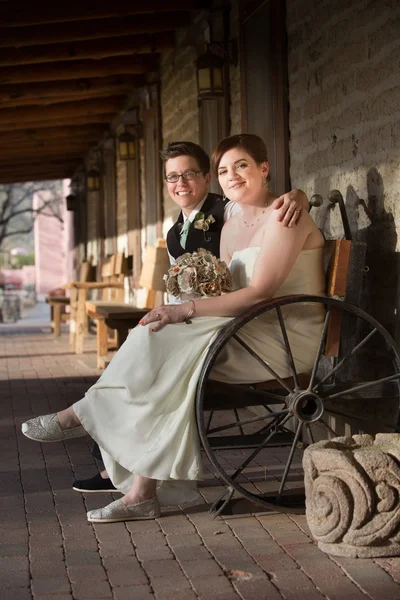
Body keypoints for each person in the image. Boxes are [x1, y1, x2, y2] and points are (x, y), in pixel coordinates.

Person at [21, 134, 325, 523]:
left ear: (265, 168)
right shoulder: (233, 223)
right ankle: (139, 489)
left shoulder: (286, 216)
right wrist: (181, 309)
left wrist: (187, 311)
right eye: (224, 170)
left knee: (166, 349)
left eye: (242, 166)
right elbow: (228, 288)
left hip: (278, 335)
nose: (232, 176)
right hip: (241, 327)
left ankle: (85, 418)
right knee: (153, 337)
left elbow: (260, 292)